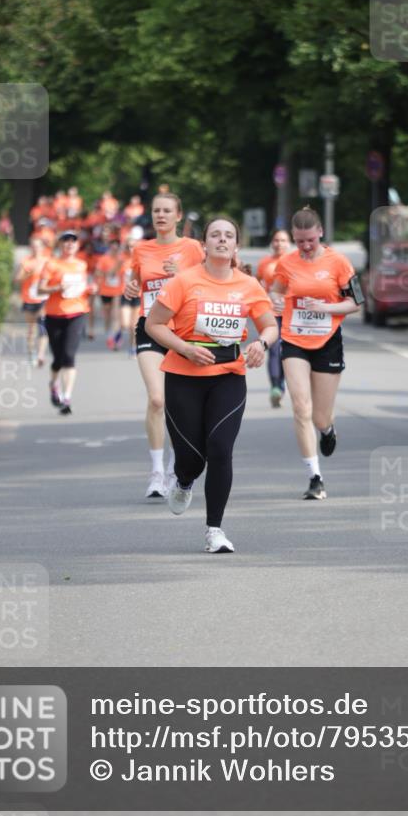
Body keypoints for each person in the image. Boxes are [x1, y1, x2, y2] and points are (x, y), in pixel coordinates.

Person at [146, 216, 277, 553]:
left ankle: (214, 529)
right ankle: (184, 479)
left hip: (228, 375)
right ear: (204, 245)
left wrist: (261, 344)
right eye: (215, 235)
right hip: (183, 375)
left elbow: (270, 326)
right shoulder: (184, 281)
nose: (222, 240)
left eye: (229, 235)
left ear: (236, 245)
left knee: (220, 449)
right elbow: (154, 324)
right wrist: (185, 348)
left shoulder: (248, 285)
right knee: (191, 459)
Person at [270, 207, 359, 500]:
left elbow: (356, 302)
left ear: (320, 232)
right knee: (300, 407)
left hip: (327, 341)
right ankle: (315, 477)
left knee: (320, 416)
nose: (305, 247)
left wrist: (327, 308)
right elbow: (275, 292)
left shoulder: (339, 262)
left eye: (310, 240)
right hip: (294, 339)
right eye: (300, 241)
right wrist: (277, 303)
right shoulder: (287, 262)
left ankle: (328, 429)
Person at [123, 193, 205, 499]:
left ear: (178, 216)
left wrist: (181, 275)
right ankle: (156, 472)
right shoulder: (141, 248)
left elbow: (208, 282)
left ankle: (174, 464)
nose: (161, 215)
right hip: (150, 328)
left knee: (178, 404)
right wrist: (130, 287)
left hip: (183, 330)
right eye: (156, 210)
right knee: (157, 399)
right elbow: (134, 283)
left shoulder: (193, 248)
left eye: (167, 211)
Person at [38, 230, 96, 416]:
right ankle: (53, 384)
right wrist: (56, 288)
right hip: (54, 315)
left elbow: (82, 288)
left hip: (77, 313)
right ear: (60, 244)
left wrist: (91, 289)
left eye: (73, 241)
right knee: (58, 359)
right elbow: (40, 288)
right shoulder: (52, 264)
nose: (69, 244)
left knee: (69, 356)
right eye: (65, 241)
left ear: (77, 245)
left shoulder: (81, 265)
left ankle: (67, 397)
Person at [256, 228, 292, 408]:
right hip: (271, 314)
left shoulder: (295, 263)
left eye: (284, 240)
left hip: (291, 315)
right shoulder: (265, 263)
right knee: (274, 350)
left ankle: (282, 384)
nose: (280, 244)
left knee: (286, 352)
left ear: (289, 243)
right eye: (277, 240)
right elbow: (258, 285)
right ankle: (276, 387)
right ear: (272, 242)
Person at [15, 238, 50, 367]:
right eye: (33, 246)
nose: (36, 249)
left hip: (43, 299)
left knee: (43, 327)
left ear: (42, 248)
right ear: (31, 248)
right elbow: (17, 279)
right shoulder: (26, 262)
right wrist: (27, 275)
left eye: (38, 246)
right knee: (31, 329)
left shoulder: (47, 261)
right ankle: (32, 352)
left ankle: (41, 354)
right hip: (29, 298)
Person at [94, 240, 124, 350]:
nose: (115, 250)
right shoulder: (104, 259)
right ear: (110, 248)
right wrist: (107, 274)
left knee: (115, 315)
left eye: (117, 248)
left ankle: (116, 337)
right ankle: (109, 336)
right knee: (107, 316)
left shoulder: (121, 260)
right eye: (113, 248)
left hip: (117, 291)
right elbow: (97, 272)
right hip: (105, 291)